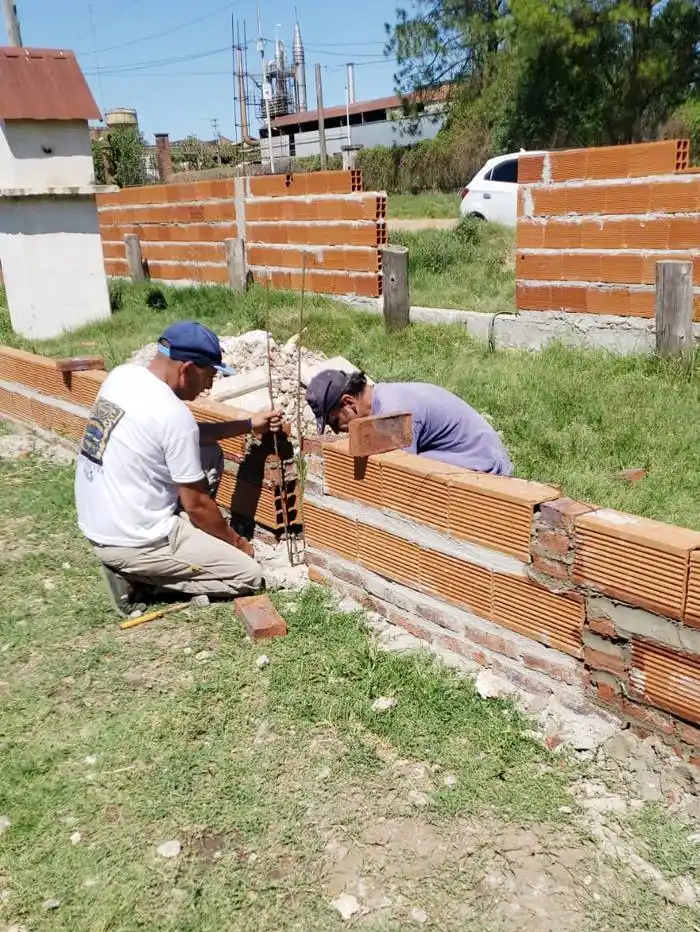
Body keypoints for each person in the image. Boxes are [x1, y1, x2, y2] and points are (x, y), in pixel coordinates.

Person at [75, 320, 283, 617]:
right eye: (209, 375)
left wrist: (249, 425)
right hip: (134, 541)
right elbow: (197, 505)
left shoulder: (123, 377)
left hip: (103, 523)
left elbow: (187, 437)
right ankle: (137, 579)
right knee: (249, 576)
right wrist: (238, 543)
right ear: (186, 370)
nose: (210, 385)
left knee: (208, 453)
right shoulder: (172, 415)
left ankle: (174, 551)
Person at [306, 369, 513, 475]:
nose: (336, 431)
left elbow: (402, 478)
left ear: (348, 403)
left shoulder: (393, 413)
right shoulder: (382, 398)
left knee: (407, 477)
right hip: (473, 455)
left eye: (334, 422)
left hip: (486, 465)